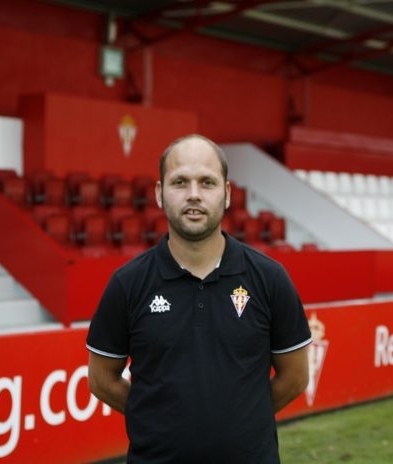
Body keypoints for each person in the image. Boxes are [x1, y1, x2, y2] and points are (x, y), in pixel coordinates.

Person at [87, 134, 311, 463]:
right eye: (180, 182)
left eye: (207, 182)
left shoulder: (269, 279)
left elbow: (295, 377)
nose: (194, 195)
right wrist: (158, 419)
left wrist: (242, 419)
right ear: (159, 194)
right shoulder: (127, 284)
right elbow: (101, 378)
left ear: (228, 193)